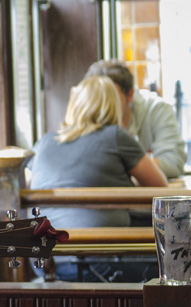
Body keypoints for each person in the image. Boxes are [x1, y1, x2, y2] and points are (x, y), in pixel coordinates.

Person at [29, 76, 168, 228]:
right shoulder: (115, 136)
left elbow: (30, 180)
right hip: (103, 239)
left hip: (45, 239)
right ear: (113, 105)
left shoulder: (44, 142)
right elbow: (160, 187)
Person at [85, 59, 187, 179]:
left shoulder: (156, 108)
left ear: (130, 95)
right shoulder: (85, 117)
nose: (103, 105)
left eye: (112, 96)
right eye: (97, 97)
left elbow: (173, 163)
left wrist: (119, 166)